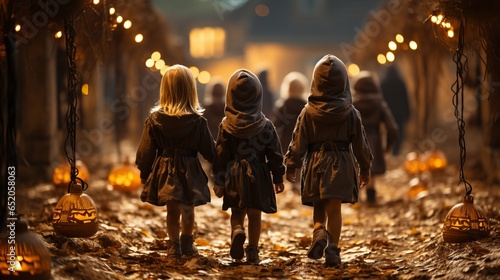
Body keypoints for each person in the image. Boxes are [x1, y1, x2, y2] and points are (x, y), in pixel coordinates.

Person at [284, 55, 372, 267]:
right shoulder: (351, 113)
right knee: (334, 209)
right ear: (344, 83)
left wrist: (292, 163)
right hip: (340, 163)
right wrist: (365, 167)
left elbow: (298, 140)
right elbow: (360, 143)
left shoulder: (308, 113)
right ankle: (333, 248)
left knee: (318, 204)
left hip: (315, 164)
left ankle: (318, 231)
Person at [136, 64, 216, 258]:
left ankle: (173, 246)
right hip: (190, 170)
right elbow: (210, 151)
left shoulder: (154, 120)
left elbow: (146, 151)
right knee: (188, 208)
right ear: (191, 90)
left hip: (166, 171)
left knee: (172, 210)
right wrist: (220, 166)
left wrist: (145, 173)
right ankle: (187, 242)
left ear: (165, 90)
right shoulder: (198, 122)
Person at [212, 69, 285, 264]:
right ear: (258, 95)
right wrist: (278, 177)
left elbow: (220, 154)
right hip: (259, 173)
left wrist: (218, 180)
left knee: (237, 211)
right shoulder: (266, 124)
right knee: (255, 213)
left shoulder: (226, 125)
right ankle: (253, 249)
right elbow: (275, 153)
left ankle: (237, 230)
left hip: (234, 173)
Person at [352, 71, 399, 204]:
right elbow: (393, 128)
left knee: (357, 166)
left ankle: (357, 196)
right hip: (374, 138)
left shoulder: (352, 105)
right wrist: (388, 145)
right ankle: (371, 194)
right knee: (371, 167)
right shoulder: (380, 104)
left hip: (356, 140)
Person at [271, 71, 309, 193]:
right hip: (303, 140)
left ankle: (288, 182)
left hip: (286, 139)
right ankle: (297, 183)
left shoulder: (282, 106)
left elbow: (276, 125)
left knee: (288, 160)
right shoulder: (307, 107)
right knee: (301, 161)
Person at [380, 65, 409, 155]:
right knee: (399, 132)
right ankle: (396, 151)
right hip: (399, 113)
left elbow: (381, 99)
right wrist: (407, 113)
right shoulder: (400, 83)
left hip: (388, 112)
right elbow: (405, 99)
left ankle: (390, 149)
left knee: (389, 131)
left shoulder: (384, 83)